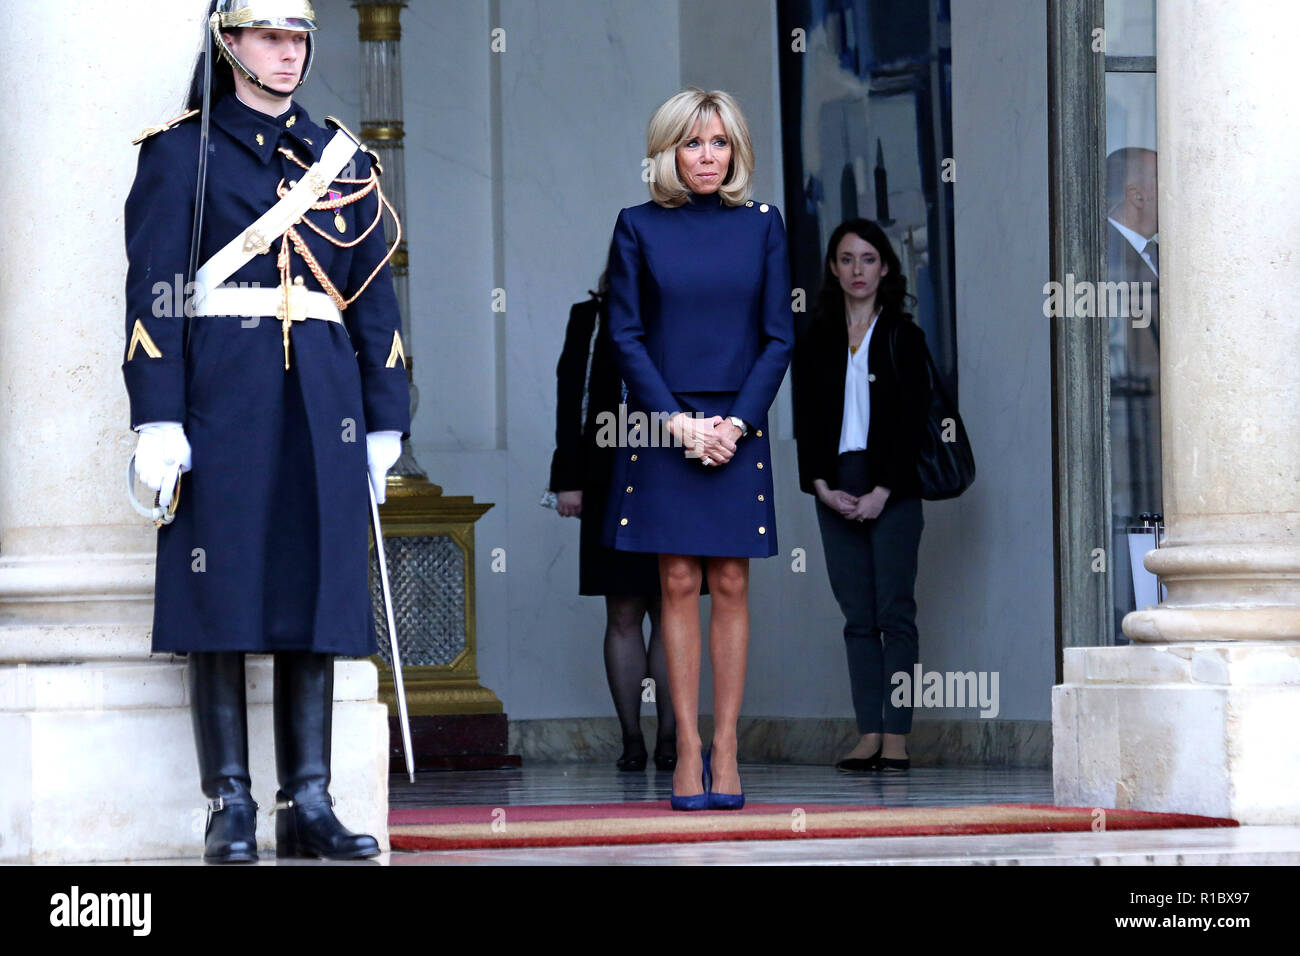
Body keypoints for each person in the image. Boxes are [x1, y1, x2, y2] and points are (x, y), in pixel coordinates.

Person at [123, 0, 409, 862]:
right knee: (221, 590)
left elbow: (373, 297)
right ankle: (231, 804)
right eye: (271, 39)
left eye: (298, 40)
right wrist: (158, 416)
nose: (289, 56)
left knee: (316, 586)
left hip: (324, 396)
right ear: (230, 43)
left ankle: (310, 801)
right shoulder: (180, 152)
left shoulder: (340, 157)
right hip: (225, 393)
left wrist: (388, 414)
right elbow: (153, 294)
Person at [603, 88, 794, 810]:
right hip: (663, 424)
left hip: (737, 423)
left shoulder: (764, 226)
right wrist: (677, 424)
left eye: (718, 143)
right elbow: (624, 334)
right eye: (691, 143)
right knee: (678, 579)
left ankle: (726, 747)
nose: (706, 156)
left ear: (736, 150)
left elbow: (780, 334)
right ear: (668, 151)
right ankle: (685, 747)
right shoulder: (636, 227)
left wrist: (737, 425)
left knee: (733, 583)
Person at [793, 219, 931, 773]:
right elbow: (805, 417)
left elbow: (914, 421)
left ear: (886, 267)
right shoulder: (817, 335)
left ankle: (896, 734)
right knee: (856, 617)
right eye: (846, 259)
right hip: (836, 483)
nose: (857, 270)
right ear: (833, 267)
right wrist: (822, 486)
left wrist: (882, 490)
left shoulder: (903, 335)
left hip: (891, 486)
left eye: (868, 259)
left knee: (894, 613)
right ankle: (867, 732)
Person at [549, 278, 676, 772]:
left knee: (671, 607)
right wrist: (567, 479)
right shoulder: (590, 317)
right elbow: (570, 399)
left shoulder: (678, 308)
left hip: (672, 472)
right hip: (607, 475)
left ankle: (670, 739)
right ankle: (632, 740)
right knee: (622, 611)